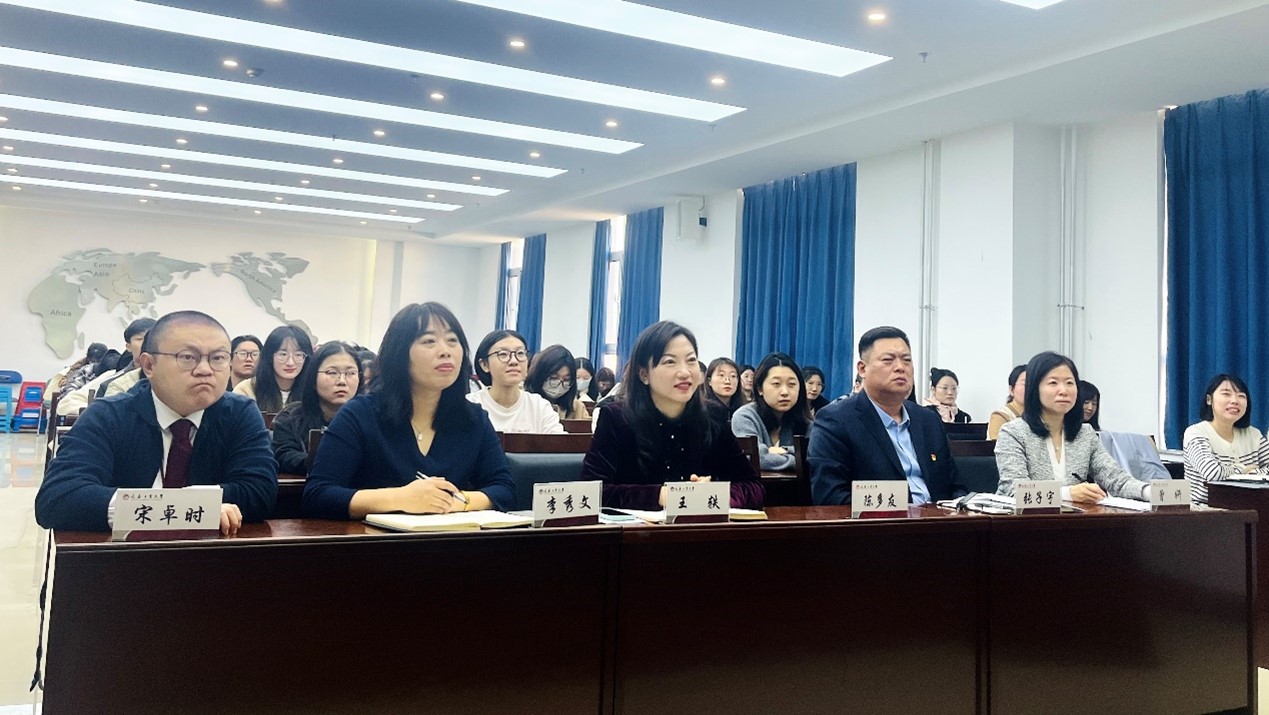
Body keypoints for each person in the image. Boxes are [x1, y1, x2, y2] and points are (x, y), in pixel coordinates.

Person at [35, 310, 277, 534]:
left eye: (218, 358)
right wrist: (187, 508)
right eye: (188, 357)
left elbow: (260, 493)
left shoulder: (241, 413)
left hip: (209, 557)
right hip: (122, 559)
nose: (205, 369)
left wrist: (186, 507)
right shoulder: (107, 415)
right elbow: (57, 498)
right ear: (149, 365)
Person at [302, 302, 515, 520]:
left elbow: (504, 489)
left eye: (453, 340)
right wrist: (400, 498)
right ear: (400, 353)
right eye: (429, 341)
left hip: (447, 538)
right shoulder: (360, 414)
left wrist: (455, 502)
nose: (445, 351)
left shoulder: (474, 419)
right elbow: (318, 495)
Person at [579, 321, 764, 510]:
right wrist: (660, 496)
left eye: (691, 360)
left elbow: (753, 487)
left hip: (697, 527)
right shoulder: (616, 418)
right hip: (634, 528)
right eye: (670, 362)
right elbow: (591, 493)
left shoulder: (712, 416)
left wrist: (713, 495)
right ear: (644, 374)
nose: (685, 372)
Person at [808, 326, 966, 506]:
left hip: (941, 520)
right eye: (888, 360)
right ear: (862, 369)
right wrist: (906, 512)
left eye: (907, 360)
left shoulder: (928, 420)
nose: (900, 367)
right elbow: (829, 496)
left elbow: (955, 485)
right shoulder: (835, 420)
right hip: (882, 522)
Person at [994, 351, 1150, 502]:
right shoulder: (1013, 432)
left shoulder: (1085, 434)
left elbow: (1117, 480)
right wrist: (1067, 494)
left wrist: (1149, 492)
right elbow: (1015, 491)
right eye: (1053, 383)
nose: (1063, 391)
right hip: (1022, 518)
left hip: (1073, 518)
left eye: (1069, 383)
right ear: (1034, 389)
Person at [272, 342, 362, 475]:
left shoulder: (369, 419)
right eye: (332, 372)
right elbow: (284, 456)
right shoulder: (290, 418)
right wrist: (329, 462)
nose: (342, 381)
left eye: (350, 373)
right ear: (313, 378)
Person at [1183, 374, 1269, 504]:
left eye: (1241, 396)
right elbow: (1212, 473)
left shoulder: (1253, 434)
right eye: (1226, 394)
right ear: (1209, 400)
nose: (1234, 400)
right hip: (1206, 510)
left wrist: (1254, 473)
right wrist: (1243, 470)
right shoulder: (1196, 433)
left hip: (1251, 509)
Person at [467, 329, 564, 434]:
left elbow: (559, 442)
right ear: (484, 364)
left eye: (520, 353)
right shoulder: (470, 405)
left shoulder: (539, 406)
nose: (514, 361)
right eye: (503, 354)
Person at [731, 352, 812, 473]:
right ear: (759, 388)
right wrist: (799, 458)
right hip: (756, 485)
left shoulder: (806, 421)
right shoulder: (745, 416)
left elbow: (816, 458)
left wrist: (783, 450)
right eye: (776, 384)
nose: (785, 392)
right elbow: (758, 459)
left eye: (792, 384)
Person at [234, 324, 312, 413]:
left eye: (298, 355)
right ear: (270, 356)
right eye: (283, 354)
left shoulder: (312, 391)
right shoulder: (246, 390)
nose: (290, 362)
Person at [525, 344, 589, 420]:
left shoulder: (577, 408)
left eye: (566, 379)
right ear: (539, 376)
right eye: (554, 378)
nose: (559, 384)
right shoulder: (523, 403)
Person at [986, 365, 1027, 440]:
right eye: (1025, 384)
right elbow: (998, 444)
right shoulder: (1000, 416)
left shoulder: (1042, 415)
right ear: (1011, 390)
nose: (1030, 388)